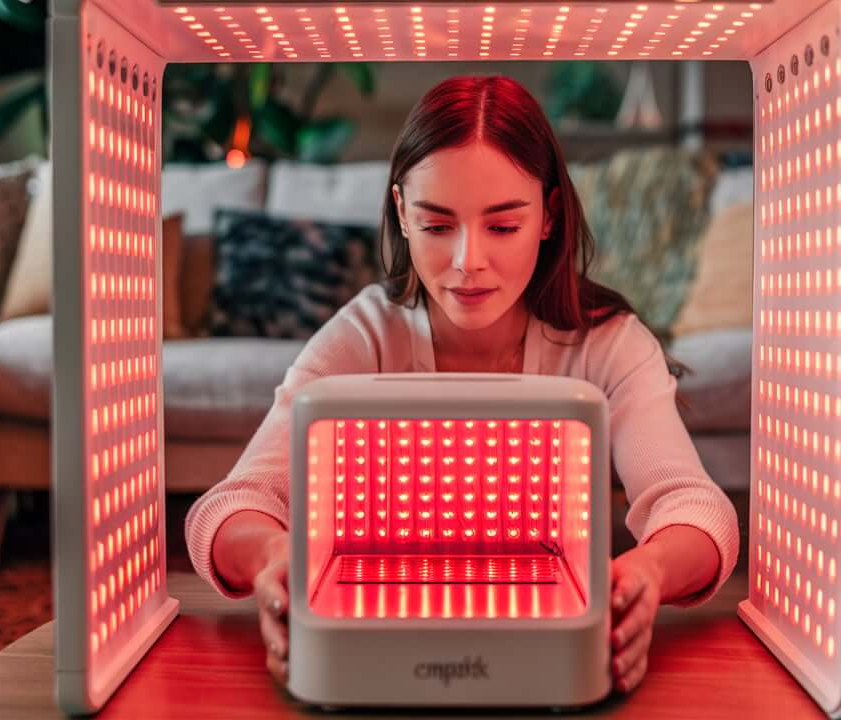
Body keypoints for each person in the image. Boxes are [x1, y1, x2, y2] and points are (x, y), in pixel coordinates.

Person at [185, 74, 739, 695]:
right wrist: (272, 559)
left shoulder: (606, 343)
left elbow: (694, 507)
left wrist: (649, 571)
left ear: (550, 215)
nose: (467, 261)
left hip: (542, 654)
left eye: (502, 227)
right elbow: (228, 507)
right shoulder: (367, 333)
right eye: (437, 225)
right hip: (379, 644)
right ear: (401, 212)